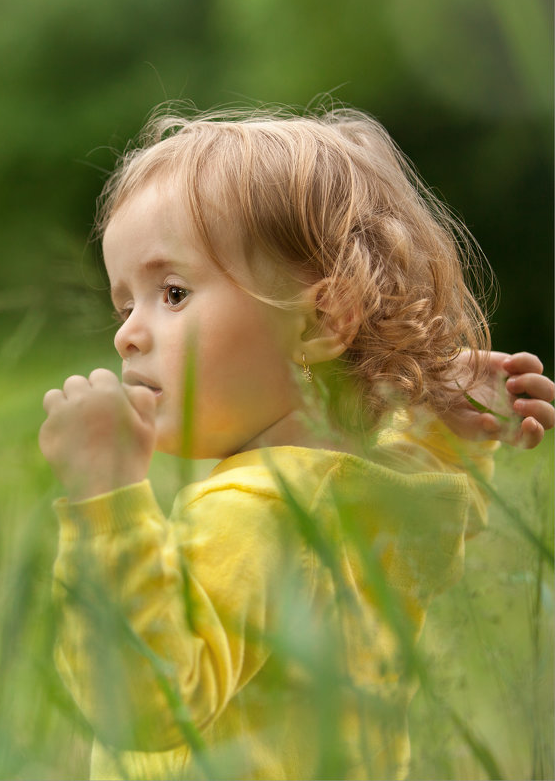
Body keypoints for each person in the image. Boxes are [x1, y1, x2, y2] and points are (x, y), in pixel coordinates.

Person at [39, 104, 555, 780]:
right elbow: (440, 518)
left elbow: (140, 705)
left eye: (170, 292)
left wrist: (106, 498)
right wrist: (453, 431)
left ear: (320, 322)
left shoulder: (251, 511)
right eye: (123, 304)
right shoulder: (373, 498)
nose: (127, 333)